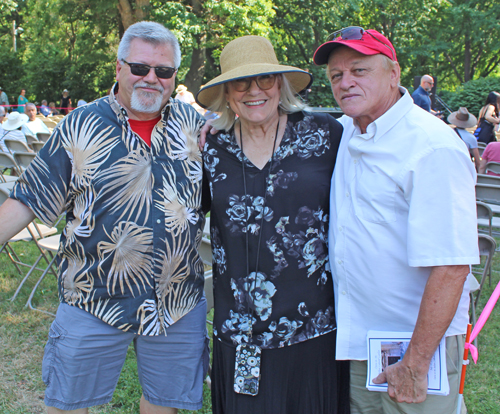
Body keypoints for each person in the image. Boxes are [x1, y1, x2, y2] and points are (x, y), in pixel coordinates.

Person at [0, 21, 209, 414]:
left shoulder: (195, 127)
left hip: (177, 301)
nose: (151, 79)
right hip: (93, 298)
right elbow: (29, 198)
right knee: (67, 406)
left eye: (163, 71)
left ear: (174, 76)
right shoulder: (80, 125)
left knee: (163, 405)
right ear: (118, 67)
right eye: (140, 68)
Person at [313, 27, 479, 413]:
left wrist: (417, 362)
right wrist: (218, 125)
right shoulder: (342, 132)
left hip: (416, 347)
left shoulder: (431, 146)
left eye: (360, 70)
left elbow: (452, 265)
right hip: (356, 343)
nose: (346, 82)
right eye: (336, 75)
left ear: (393, 73)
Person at [196, 35, 350, 414]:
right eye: (241, 83)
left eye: (265, 79)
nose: (254, 91)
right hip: (239, 332)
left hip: (314, 328)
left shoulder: (326, 135)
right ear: (226, 94)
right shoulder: (209, 149)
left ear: (280, 83)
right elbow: (183, 213)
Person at [448, 107, 480, 171]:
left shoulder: (448, 133)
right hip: (463, 166)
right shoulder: (471, 138)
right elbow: (477, 160)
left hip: (449, 164)